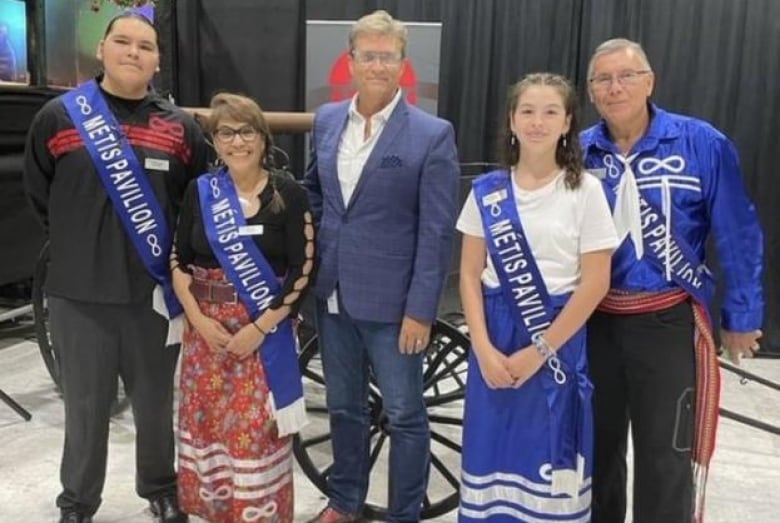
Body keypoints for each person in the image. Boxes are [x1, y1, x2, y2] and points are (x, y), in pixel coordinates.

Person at [23, 12, 207, 523]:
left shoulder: (182, 128)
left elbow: (194, 206)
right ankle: (78, 502)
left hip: (152, 299)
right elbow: (40, 197)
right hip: (77, 296)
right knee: (85, 410)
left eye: (145, 46)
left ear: (157, 60)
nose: (133, 52)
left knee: (154, 408)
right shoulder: (59, 117)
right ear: (101, 50)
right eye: (122, 42)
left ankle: (160, 489)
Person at [580, 38, 764, 523]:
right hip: (591, 322)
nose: (615, 87)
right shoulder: (577, 151)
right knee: (594, 454)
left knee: (665, 456)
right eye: (603, 79)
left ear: (649, 81)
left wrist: (742, 316)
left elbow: (737, 232)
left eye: (626, 76)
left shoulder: (702, 143)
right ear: (591, 91)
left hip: (666, 322)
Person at [302, 10, 460, 523]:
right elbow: (315, 194)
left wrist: (421, 309)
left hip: (394, 307)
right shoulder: (326, 120)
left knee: (406, 416)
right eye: (367, 55)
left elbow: (436, 232)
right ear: (350, 61)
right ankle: (345, 500)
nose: (376, 65)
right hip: (332, 295)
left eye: (386, 56)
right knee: (345, 409)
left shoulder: (432, 134)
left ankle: (404, 513)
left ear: (402, 64)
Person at [456, 73, 618, 523]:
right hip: (494, 334)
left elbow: (595, 283)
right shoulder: (487, 191)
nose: (537, 122)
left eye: (550, 112)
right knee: (492, 452)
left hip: (557, 335)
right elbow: (469, 275)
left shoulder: (586, 191)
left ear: (567, 122)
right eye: (527, 111)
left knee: (547, 456)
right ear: (511, 119)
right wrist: (483, 348)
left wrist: (542, 350)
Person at [172, 92, 313, 523]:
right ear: (214, 141)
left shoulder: (287, 193)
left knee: (256, 434)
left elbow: (303, 268)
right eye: (226, 132)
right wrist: (197, 319)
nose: (237, 141)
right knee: (209, 429)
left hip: (262, 332)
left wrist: (261, 327)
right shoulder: (201, 191)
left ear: (263, 138)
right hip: (206, 335)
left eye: (246, 131)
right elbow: (178, 260)